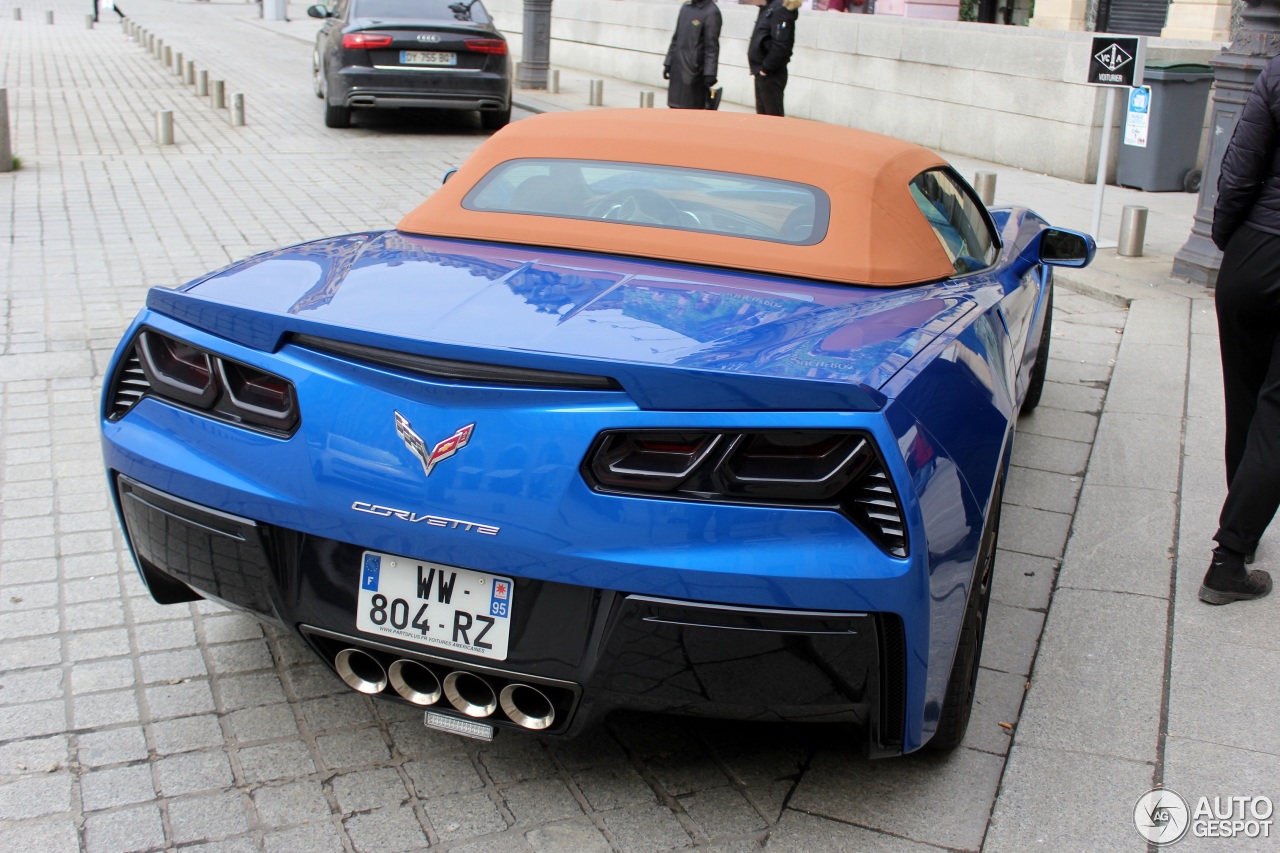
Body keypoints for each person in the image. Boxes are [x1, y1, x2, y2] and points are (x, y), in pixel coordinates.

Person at [1202, 53, 1280, 605]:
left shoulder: (1277, 70)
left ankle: (1242, 534)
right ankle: (1230, 557)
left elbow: (1239, 168)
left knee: (1246, 400)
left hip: (1255, 251)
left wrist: (1232, 239)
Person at [664, 0, 722, 110]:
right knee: (674, 109)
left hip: (694, 73)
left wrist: (710, 73)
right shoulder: (685, 8)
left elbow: (712, 47)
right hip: (677, 69)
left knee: (690, 110)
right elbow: (676, 38)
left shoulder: (712, 12)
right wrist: (668, 62)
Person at [747, 0, 800, 116]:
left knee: (773, 120)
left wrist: (766, 69)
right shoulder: (770, 8)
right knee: (763, 119)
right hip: (762, 72)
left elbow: (781, 45)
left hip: (770, 74)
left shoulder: (780, 10)